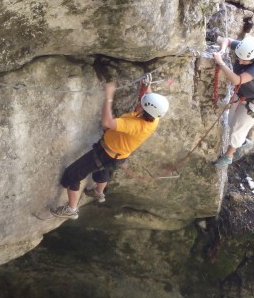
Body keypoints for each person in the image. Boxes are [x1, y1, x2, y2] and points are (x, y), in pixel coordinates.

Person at [51, 81, 169, 219]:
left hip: (105, 155)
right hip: (118, 155)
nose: (139, 102)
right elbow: (152, 103)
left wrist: (108, 97)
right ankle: (98, 192)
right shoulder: (154, 118)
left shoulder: (136, 125)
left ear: (144, 110)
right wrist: (147, 87)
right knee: (103, 170)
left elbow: (107, 122)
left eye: (141, 103)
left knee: (73, 174)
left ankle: (71, 209)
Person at [212, 35, 254, 167]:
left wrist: (221, 63)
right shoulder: (245, 49)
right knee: (230, 122)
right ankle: (243, 142)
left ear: (252, 58)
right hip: (242, 95)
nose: (239, 61)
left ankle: (228, 156)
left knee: (237, 130)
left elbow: (236, 80)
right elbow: (227, 40)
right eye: (239, 57)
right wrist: (222, 50)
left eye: (244, 60)